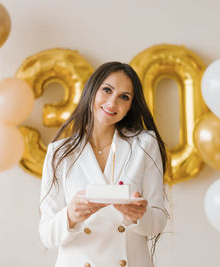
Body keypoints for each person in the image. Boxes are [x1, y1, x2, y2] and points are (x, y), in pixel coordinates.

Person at [39, 62, 168, 267]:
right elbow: (46, 235)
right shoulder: (59, 153)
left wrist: (138, 216)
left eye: (124, 97)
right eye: (107, 90)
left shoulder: (144, 144)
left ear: (129, 107)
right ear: (91, 91)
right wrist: (70, 216)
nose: (112, 102)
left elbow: (158, 221)